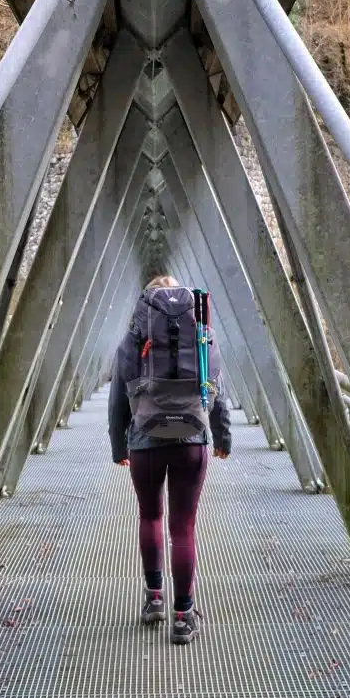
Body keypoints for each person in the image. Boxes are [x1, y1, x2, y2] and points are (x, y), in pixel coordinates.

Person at [109, 274, 231, 645]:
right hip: (191, 439)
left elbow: (117, 398)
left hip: (145, 440)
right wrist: (222, 437)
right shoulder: (201, 336)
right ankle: (183, 616)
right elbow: (216, 391)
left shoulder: (132, 339)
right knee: (183, 527)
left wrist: (119, 446)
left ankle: (154, 599)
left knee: (150, 516)